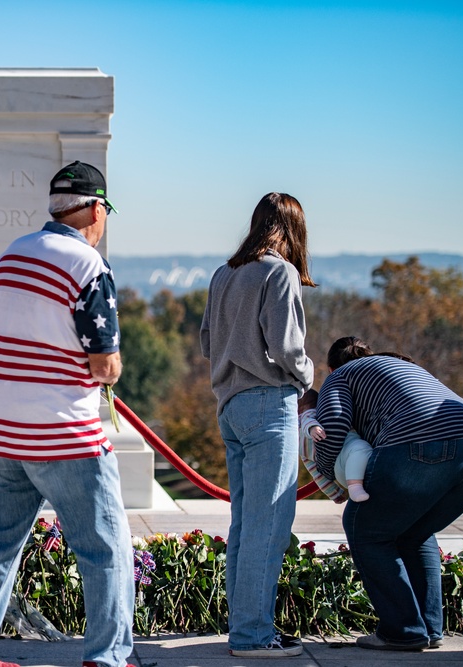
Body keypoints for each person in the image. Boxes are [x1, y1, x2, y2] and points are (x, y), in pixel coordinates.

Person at [0, 162, 135, 667]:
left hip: (1, 429)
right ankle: (108, 657)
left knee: (0, 542)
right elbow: (105, 364)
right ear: (95, 209)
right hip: (63, 432)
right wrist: (107, 370)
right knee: (105, 549)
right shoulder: (89, 266)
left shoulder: (11, 256)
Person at [314, 336, 463, 651]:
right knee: (415, 530)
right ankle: (428, 628)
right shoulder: (400, 366)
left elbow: (333, 422)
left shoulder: (340, 377)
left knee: (365, 528)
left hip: (421, 441)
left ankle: (402, 630)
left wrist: (326, 472)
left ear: (330, 368)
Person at [199, 192, 314, 658]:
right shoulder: (278, 272)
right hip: (269, 404)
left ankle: (246, 627)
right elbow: (287, 348)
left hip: (230, 405)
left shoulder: (223, 274)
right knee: (268, 528)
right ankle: (252, 636)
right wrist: (309, 376)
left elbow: (209, 343)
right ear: (290, 230)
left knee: (246, 525)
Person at [299, 389, 372, 502]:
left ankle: (354, 486)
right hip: (348, 452)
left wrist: (334, 493)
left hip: (340, 473)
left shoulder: (300, 447)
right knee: (361, 447)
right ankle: (355, 487)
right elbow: (308, 420)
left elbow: (317, 472)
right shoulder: (314, 413)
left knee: (359, 450)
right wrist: (312, 427)